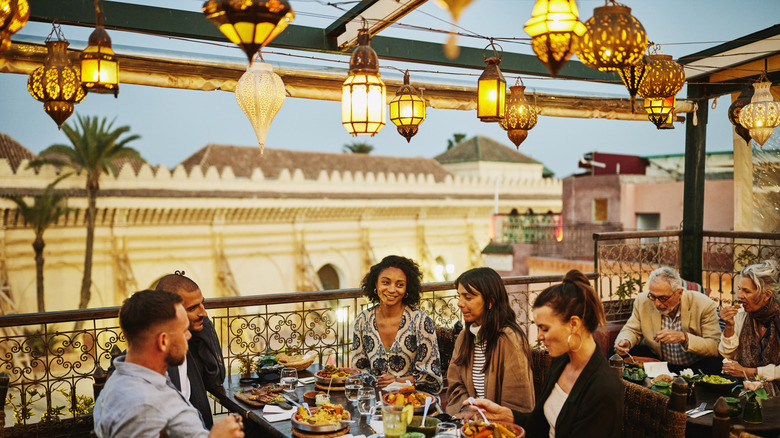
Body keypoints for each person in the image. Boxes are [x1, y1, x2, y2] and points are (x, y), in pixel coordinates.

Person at [468, 270, 623, 438]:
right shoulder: (562, 360)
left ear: (573, 324)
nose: (539, 336)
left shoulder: (603, 388)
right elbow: (539, 424)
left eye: (545, 328)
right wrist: (505, 415)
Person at [93, 289, 243, 438]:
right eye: (184, 331)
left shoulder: (135, 376)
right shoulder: (141, 404)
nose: (189, 335)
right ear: (163, 341)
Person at [446, 267, 534, 417]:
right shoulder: (465, 337)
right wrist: (467, 410)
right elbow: (455, 384)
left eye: (468, 297)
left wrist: (486, 419)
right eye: (459, 296)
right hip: (469, 423)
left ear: (490, 301)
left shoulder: (509, 339)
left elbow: (517, 402)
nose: (459, 303)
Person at [351, 255, 442, 394]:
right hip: (374, 400)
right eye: (386, 282)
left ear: (407, 289)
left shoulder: (420, 321)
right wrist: (378, 381)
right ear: (375, 284)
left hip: (414, 400)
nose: (392, 290)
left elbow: (431, 376)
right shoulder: (363, 320)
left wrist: (396, 381)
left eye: (400, 285)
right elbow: (358, 369)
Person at [614, 266, 722, 374]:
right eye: (653, 296)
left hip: (694, 366)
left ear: (679, 293)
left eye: (663, 298)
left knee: (716, 364)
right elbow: (632, 329)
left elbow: (714, 345)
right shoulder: (643, 301)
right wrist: (626, 341)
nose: (657, 303)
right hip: (658, 361)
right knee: (615, 353)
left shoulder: (704, 304)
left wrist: (684, 337)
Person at [155, 271, 226, 429]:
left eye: (203, 303)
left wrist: (203, 324)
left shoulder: (189, 343)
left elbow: (215, 377)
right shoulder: (158, 360)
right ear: (171, 313)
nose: (204, 312)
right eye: (193, 307)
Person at [720, 260, 780, 392]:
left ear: (766, 295)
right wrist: (729, 326)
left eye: (746, 291)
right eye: (739, 290)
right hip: (743, 387)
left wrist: (748, 372)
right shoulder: (741, 314)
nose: (740, 296)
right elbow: (726, 354)